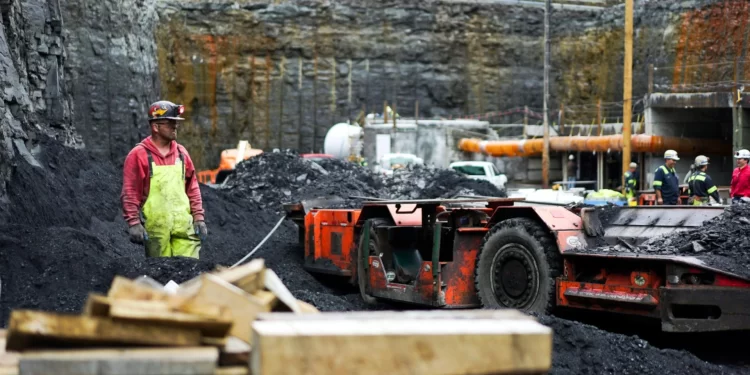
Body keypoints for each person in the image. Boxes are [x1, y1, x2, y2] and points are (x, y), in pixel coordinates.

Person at [120, 100, 208, 258]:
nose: (175, 126)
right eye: (170, 123)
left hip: (184, 229)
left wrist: (199, 217)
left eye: (176, 122)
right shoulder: (139, 155)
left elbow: (192, 188)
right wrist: (133, 222)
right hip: (157, 232)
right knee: (162, 276)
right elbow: (130, 191)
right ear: (155, 127)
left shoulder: (182, 153)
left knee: (190, 275)